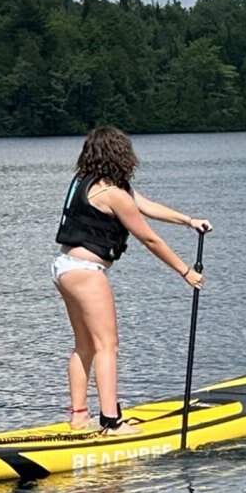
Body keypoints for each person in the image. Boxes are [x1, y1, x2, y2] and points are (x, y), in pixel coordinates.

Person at [53, 126, 212, 434]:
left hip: (64, 267)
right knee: (107, 346)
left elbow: (146, 205)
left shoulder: (87, 182)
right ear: (120, 155)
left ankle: (79, 417)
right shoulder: (113, 194)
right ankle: (111, 422)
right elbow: (150, 240)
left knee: (85, 345)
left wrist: (188, 221)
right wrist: (185, 272)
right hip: (86, 273)